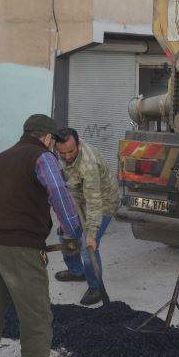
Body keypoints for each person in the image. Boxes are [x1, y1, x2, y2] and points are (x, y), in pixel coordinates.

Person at [0, 114, 86, 357]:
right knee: (36, 319)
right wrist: (72, 229)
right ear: (48, 138)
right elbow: (59, 192)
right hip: (20, 251)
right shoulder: (42, 157)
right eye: (53, 142)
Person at [53, 127, 119, 306]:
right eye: (62, 152)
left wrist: (91, 234)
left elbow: (94, 203)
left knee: (87, 246)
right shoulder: (60, 152)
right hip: (78, 197)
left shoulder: (88, 165)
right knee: (64, 234)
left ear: (79, 144)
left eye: (71, 152)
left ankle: (95, 287)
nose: (67, 157)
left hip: (103, 202)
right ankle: (76, 271)